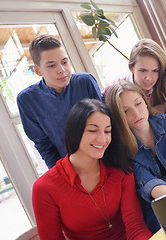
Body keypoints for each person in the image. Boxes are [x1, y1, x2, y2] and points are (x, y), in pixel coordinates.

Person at [32, 99, 152, 240]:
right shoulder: (44, 188)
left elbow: (136, 228)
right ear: (75, 131)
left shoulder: (121, 170)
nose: (102, 139)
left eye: (107, 131)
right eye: (93, 130)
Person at [105, 81, 166, 233]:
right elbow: (150, 184)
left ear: (145, 101)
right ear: (118, 117)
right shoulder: (123, 151)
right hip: (158, 205)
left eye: (138, 104)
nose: (136, 113)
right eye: (125, 111)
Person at [17, 34, 102, 168]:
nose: (62, 70)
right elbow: (44, 146)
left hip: (106, 160)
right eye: (51, 66)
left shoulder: (85, 81)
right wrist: (65, 176)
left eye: (64, 62)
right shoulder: (27, 100)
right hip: (70, 170)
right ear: (38, 70)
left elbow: (107, 124)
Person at [104, 38, 166, 107]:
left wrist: (164, 106)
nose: (148, 78)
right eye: (143, 71)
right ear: (131, 67)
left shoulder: (165, 83)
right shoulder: (112, 90)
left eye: (155, 71)